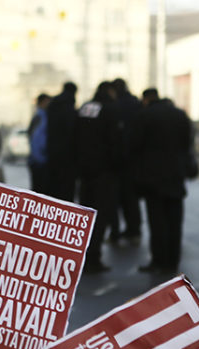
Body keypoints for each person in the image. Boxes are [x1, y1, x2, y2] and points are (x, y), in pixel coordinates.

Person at [131, 89, 193, 274]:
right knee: (175, 221)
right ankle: (172, 262)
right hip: (176, 175)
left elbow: (135, 145)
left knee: (157, 222)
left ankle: (158, 260)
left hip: (153, 177)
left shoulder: (145, 116)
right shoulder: (180, 115)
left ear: (147, 99)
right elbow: (187, 144)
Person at [74, 81, 122, 273]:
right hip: (104, 172)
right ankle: (94, 258)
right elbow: (116, 142)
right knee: (100, 216)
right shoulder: (111, 110)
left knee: (86, 216)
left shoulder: (84, 108)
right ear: (110, 91)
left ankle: (84, 256)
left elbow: (74, 137)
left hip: (85, 173)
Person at [111, 78, 144, 243]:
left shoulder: (115, 105)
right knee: (132, 198)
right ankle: (134, 229)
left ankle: (120, 231)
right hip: (135, 159)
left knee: (119, 198)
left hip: (119, 159)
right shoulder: (136, 104)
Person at [45, 82, 79, 201]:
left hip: (53, 154)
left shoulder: (52, 106)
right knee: (66, 192)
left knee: (54, 190)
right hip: (68, 156)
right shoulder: (70, 108)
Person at [27, 93, 51, 194]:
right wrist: (41, 159)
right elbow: (36, 141)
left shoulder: (39, 116)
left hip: (37, 161)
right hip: (39, 162)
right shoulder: (41, 117)